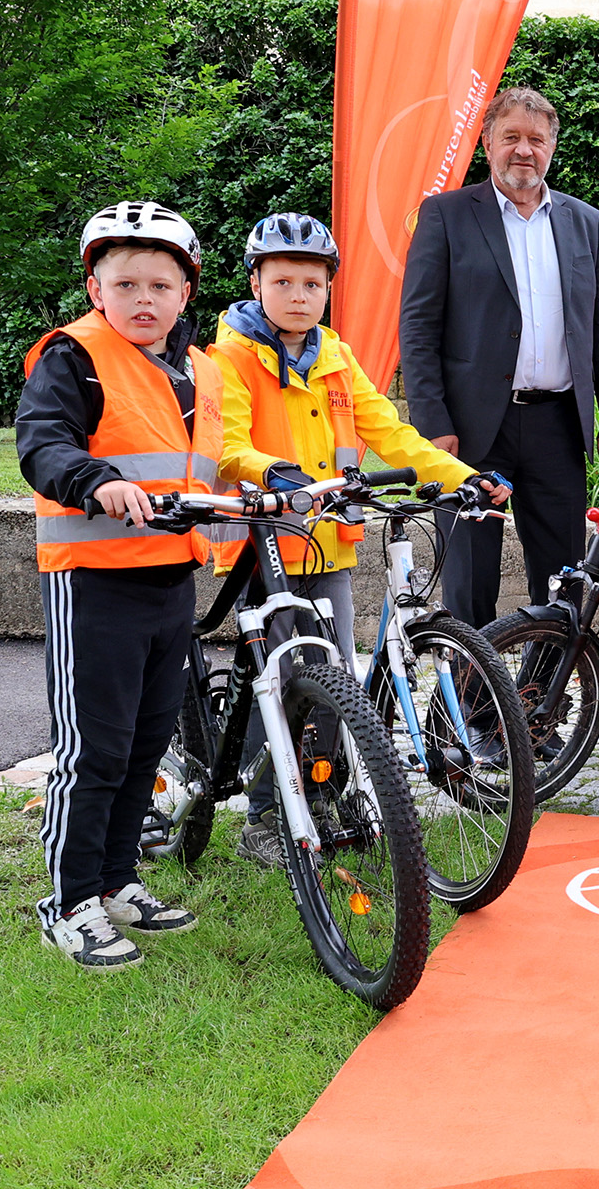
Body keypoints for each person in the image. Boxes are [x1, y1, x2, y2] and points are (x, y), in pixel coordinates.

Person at [211, 212, 507, 864]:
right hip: (266, 548)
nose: (298, 295)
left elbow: (393, 434)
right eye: (282, 280)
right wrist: (271, 472)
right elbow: (227, 444)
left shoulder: (338, 357)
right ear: (255, 282)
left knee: (334, 678)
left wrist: (463, 476)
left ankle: (321, 793)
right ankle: (265, 817)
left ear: (327, 291)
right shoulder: (230, 356)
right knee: (283, 681)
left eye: (312, 284)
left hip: (331, 548)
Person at [15, 202, 222, 971]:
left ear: (185, 293)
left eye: (159, 284)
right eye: (124, 282)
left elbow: (215, 458)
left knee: (143, 748)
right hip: (95, 583)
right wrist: (92, 480)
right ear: (96, 288)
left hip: (171, 580)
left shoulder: (202, 370)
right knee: (92, 749)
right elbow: (43, 443)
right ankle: (68, 902)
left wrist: (280, 479)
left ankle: (117, 881)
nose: (142, 298)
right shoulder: (74, 355)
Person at [398, 87, 599, 626]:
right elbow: (417, 327)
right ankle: (474, 708)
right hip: (474, 429)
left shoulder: (584, 222)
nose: (523, 150)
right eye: (511, 137)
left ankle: (544, 698)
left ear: (552, 147)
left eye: (536, 139)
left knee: (563, 577)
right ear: (488, 144)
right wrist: (432, 423)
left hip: (557, 425)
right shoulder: (446, 215)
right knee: (470, 579)